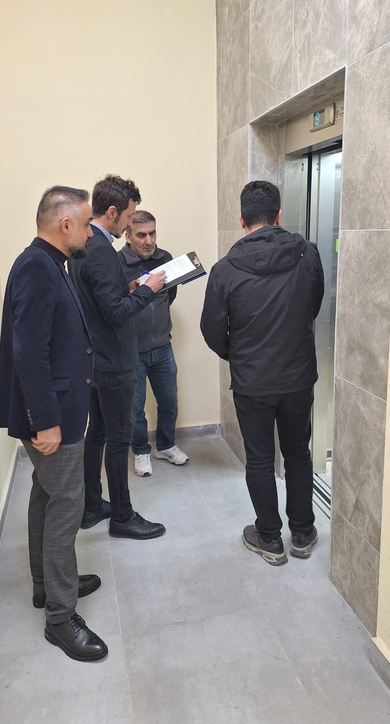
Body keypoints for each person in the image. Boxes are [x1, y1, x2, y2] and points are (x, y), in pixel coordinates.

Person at [0, 186, 108, 662]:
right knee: (66, 504)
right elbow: (29, 352)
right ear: (65, 225)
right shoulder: (36, 267)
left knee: (46, 495)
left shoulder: (47, 263)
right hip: (51, 415)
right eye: (85, 224)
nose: (90, 232)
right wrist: (45, 421)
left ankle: (47, 583)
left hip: (57, 410)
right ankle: (60, 618)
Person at [201, 180, 324, 566]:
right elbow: (313, 305)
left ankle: (269, 538)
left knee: (259, 459)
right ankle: (302, 533)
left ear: (241, 219)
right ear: (278, 214)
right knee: (298, 454)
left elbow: (211, 331)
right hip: (298, 377)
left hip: (252, 381)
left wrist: (239, 355)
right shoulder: (308, 254)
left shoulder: (224, 270)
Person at [68, 175, 166, 538]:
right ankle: (123, 517)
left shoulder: (83, 244)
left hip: (96, 357)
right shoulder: (102, 251)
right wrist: (148, 290)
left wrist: (128, 287)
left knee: (97, 433)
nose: (129, 224)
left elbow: (100, 298)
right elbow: (116, 312)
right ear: (112, 211)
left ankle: (92, 505)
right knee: (118, 439)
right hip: (115, 360)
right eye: (128, 216)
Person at [118, 210, 189, 477]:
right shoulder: (117, 264)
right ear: (127, 236)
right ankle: (140, 451)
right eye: (141, 235)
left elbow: (170, 295)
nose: (149, 240)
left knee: (169, 401)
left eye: (152, 233)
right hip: (131, 352)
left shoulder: (165, 259)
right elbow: (115, 305)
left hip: (162, 347)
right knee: (135, 408)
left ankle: (166, 445)